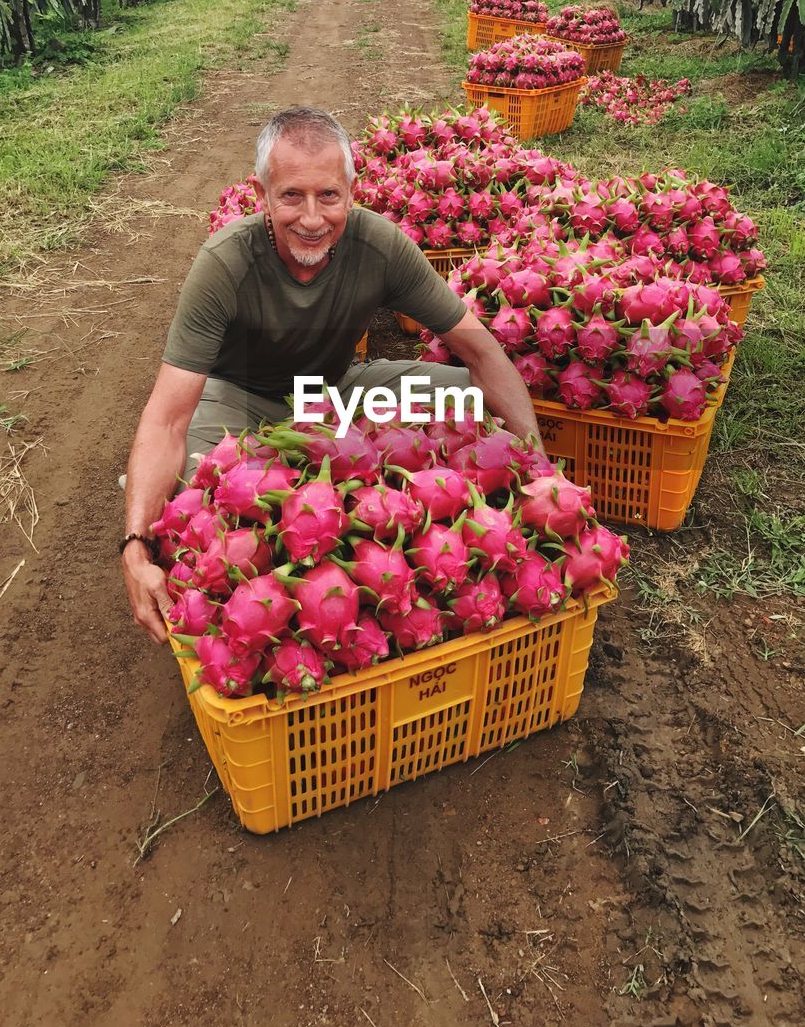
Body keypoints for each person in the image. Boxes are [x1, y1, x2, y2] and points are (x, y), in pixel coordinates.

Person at [122, 106, 540, 644]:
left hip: (336, 395)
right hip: (241, 406)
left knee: (469, 401)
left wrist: (537, 462)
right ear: (263, 194)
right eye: (291, 195)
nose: (312, 218)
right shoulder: (225, 262)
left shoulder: (380, 246)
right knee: (192, 499)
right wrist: (133, 545)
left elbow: (481, 353)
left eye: (329, 196)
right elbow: (167, 419)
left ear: (352, 190)